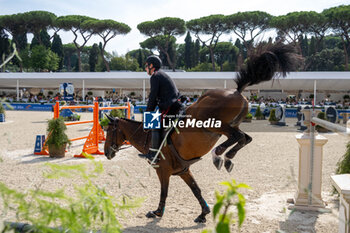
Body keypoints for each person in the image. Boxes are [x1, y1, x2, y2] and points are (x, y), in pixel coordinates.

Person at [138, 55, 182, 162]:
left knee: (154, 124)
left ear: (151, 65)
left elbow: (153, 97)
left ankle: (154, 154)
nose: (145, 69)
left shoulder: (155, 76)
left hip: (170, 105)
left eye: (146, 66)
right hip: (173, 103)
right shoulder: (161, 74)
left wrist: (148, 114)